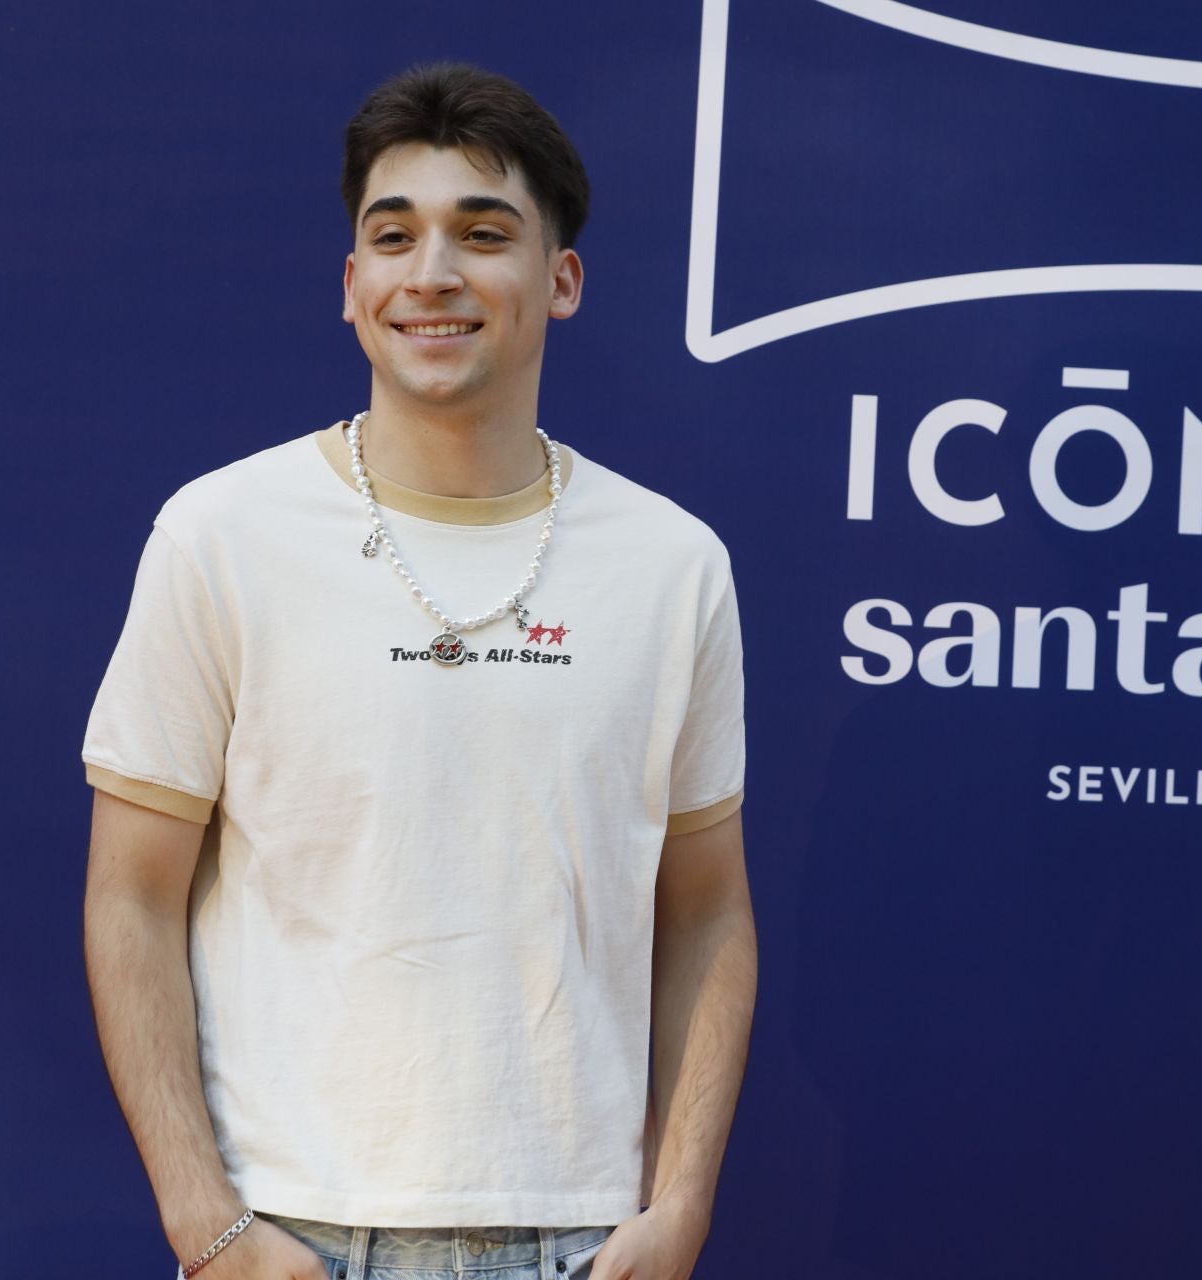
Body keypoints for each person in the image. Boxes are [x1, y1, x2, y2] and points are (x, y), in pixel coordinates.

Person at [80, 62, 756, 1280]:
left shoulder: (673, 564)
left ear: (561, 281)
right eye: (393, 236)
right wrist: (208, 1223)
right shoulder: (223, 534)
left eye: (482, 233)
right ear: (353, 288)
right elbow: (130, 894)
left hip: (586, 1239)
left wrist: (679, 1203)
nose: (431, 272)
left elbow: (706, 905)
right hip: (293, 1232)